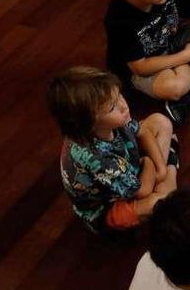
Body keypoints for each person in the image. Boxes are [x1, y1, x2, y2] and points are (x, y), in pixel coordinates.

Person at [46, 66, 177, 234]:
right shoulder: (100, 160)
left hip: (131, 170)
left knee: (161, 122)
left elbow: (143, 131)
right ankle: (171, 165)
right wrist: (151, 162)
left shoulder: (111, 122)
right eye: (112, 107)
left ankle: (167, 171)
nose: (123, 106)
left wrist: (160, 169)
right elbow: (142, 192)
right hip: (108, 208)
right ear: (90, 122)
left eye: (119, 95)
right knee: (162, 200)